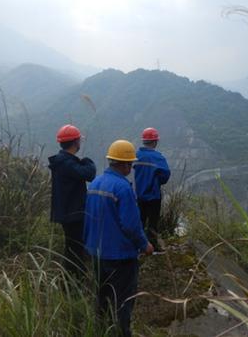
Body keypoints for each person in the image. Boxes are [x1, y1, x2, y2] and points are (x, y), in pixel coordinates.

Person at [84, 139, 154, 337]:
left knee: (102, 296)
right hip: (120, 256)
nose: (130, 167)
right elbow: (131, 225)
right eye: (130, 164)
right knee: (123, 300)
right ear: (125, 164)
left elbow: (88, 218)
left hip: (97, 253)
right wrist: (145, 245)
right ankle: (123, 333)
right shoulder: (123, 188)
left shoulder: (96, 183)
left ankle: (100, 330)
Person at [48, 124, 96, 280]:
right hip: (73, 213)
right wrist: (87, 161)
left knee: (72, 246)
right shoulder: (67, 163)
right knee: (75, 248)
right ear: (76, 142)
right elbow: (89, 174)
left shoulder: (63, 161)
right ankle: (73, 280)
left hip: (67, 212)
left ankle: (71, 279)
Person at [134, 127, 171, 253]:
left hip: (139, 195)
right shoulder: (158, 158)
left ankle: (139, 246)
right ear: (155, 141)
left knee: (140, 221)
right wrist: (157, 181)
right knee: (153, 223)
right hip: (153, 195)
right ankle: (153, 246)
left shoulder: (137, 155)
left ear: (144, 141)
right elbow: (165, 175)